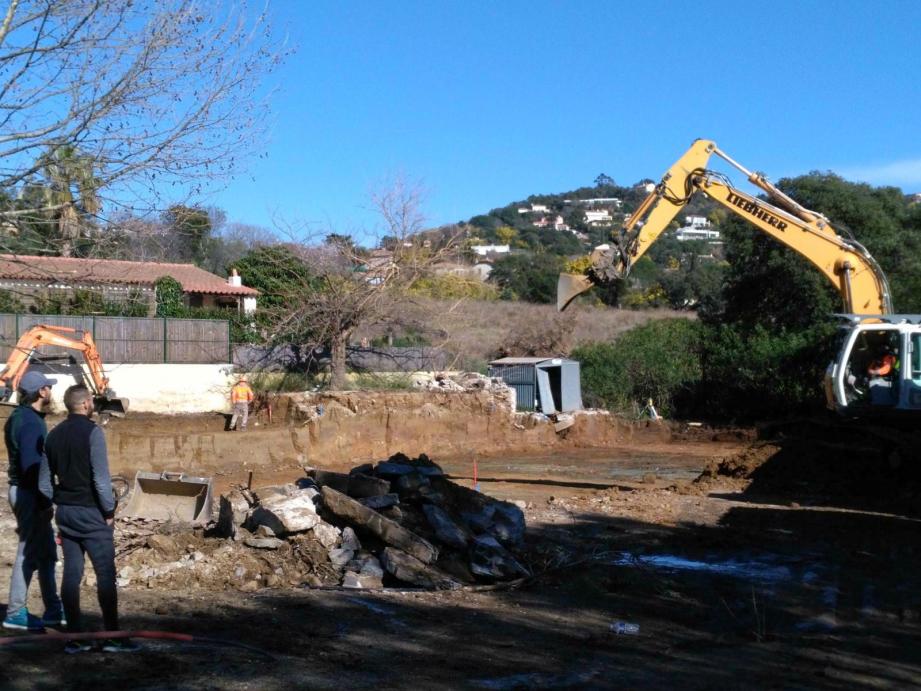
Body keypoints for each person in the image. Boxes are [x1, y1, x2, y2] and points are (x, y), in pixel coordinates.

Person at [40, 384, 137, 654]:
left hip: (66, 514)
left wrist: (55, 505)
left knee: (72, 573)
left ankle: (74, 636)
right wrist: (108, 511)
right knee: (105, 573)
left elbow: (45, 484)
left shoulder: (53, 435)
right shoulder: (93, 433)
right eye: (92, 402)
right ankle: (113, 636)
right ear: (85, 405)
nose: (93, 405)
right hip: (92, 514)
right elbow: (101, 480)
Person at [3, 371, 64, 631]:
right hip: (29, 493)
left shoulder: (19, 417)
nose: (51, 391)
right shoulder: (30, 422)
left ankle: (53, 609)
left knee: (47, 551)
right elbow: (31, 467)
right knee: (28, 552)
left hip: (26, 491)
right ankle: (16, 612)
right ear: (41, 392)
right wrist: (44, 501)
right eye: (48, 388)